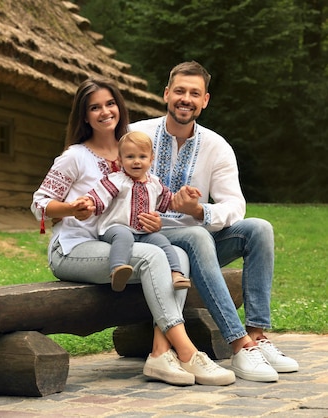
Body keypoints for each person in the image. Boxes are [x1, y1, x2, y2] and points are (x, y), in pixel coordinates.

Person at [31, 76, 235, 386]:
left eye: (110, 104)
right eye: (95, 107)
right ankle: (187, 352)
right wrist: (71, 208)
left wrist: (154, 219)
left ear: (119, 107)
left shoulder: (132, 150)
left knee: (177, 254)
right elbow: (39, 203)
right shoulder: (75, 156)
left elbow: (149, 198)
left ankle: (159, 353)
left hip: (121, 243)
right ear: (84, 116)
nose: (105, 112)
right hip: (73, 248)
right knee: (154, 256)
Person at [129, 61, 299, 382]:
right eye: (179, 91)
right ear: (166, 94)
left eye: (195, 93)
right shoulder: (136, 135)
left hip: (198, 244)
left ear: (205, 100)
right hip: (146, 243)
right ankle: (239, 345)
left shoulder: (216, 146)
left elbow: (235, 206)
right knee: (197, 237)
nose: (186, 98)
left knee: (258, 229)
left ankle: (258, 336)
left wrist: (200, 212)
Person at [80, 131, 197, 291]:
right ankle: (117, 270)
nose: (136, 161)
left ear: (151, 159)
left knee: (162, 241)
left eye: (142, 157)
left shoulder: (154, 183)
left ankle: (176, 274)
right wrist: (89, 202)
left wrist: (184, 197)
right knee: (124, 236)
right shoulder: (116, 180)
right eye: (130, 157)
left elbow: (169, 201)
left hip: (143, 232)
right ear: (120, 160)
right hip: (114, 228)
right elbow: (99, 196)